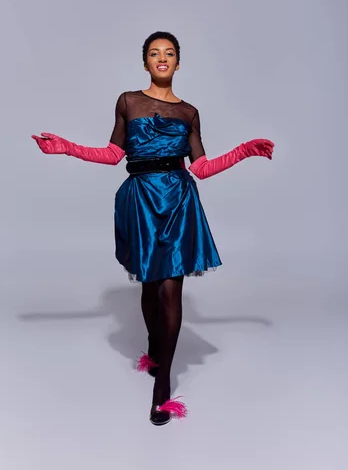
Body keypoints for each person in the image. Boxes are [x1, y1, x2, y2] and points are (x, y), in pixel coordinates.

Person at [32, 31, 274, 426]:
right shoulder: (128, 101)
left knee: (170, 289)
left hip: (178, 200)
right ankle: (154, 350)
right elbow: (112, 154)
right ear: (145, 62)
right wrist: (66, 147)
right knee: (148, 284)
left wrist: (244, 151)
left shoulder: (189, 112)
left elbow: (202, 168)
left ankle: (161, 389)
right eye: (154, 53)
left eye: (170, 53)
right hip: (140, 199)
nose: (162, 58)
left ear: (179, 63)